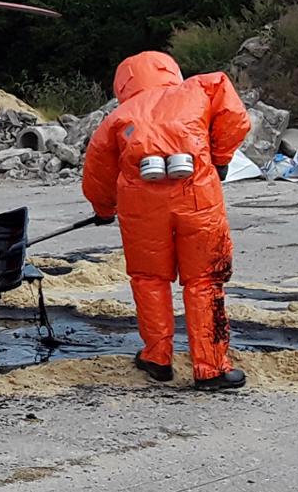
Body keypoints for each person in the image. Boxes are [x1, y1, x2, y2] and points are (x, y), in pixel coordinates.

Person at [81, 51, 252, 391]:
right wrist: (220, 158)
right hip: (198, 199)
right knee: (204, 281)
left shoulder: (118, 116)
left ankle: (157, 358)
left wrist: (103, 209)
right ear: (170, 70)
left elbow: (97, 171)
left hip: (142, 207)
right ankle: (212, 367)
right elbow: (235, 115)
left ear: (124, 83)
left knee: (149, 280)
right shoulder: (201, 89)